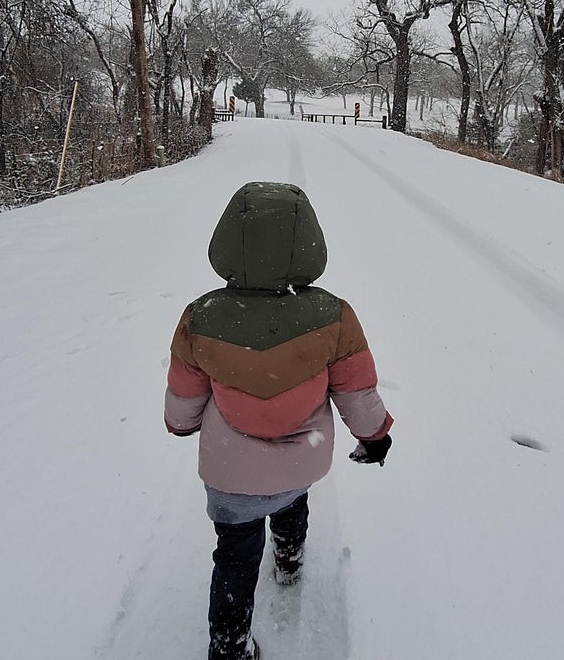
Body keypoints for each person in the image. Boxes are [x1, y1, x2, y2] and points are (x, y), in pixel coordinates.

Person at [164, 181, 394, 660]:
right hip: (300, 459)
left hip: (230, 470)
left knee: (234, 557)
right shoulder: (333, 317)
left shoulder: (201, 317)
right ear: (308, 243)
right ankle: (289, 559)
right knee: (291, 502)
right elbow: (356, 391)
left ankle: (227, 646)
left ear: (228, 241)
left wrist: (182, 424)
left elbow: (185, 396)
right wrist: (374, 436)